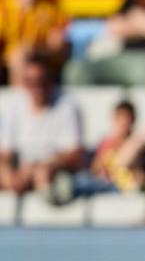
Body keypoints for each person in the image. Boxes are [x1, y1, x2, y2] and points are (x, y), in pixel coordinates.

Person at [0, 55, 84, 199]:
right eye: (31, 81)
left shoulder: (68, 107)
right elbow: (5, 153)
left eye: (42, 81)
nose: (38, 87)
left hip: (54, 174)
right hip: (21, 172)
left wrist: (43, 168)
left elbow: (74, 155)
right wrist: (8, 174)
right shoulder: (13, 107)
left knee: (51, 181)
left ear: (51, 80)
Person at [1, 0, 69, 85]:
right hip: (7, 62)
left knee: (22, 57)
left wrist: (33, 50)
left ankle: (21, 100)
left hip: (40, 60)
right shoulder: (3, 8)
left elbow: (58, 46)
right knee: (18, 56)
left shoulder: (52, 10)